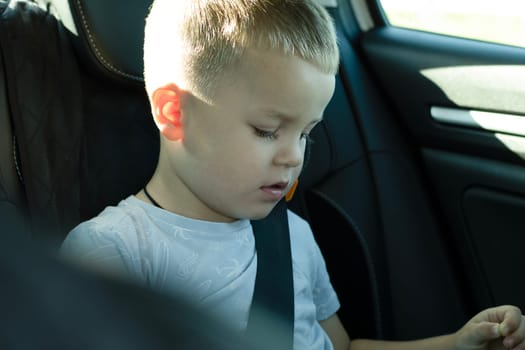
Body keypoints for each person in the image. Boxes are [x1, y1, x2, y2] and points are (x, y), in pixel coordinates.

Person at [60, 1, 525, 349]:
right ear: (174, 112)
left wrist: (456, 343)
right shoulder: (115, 253)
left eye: (306, 134)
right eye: (267, 131)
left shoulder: (294, 237)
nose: (293, 157)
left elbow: (342, 347)